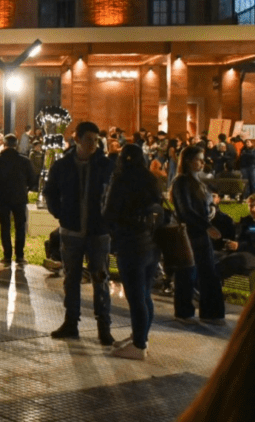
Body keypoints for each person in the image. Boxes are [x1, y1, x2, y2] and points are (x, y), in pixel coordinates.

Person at [43, 121, 116, 345]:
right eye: (89, 140)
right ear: (77, 139)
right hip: (71, 231)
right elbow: (50, 192)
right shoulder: (62, 165)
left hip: (98, 233)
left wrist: (108, 219)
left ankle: (104, 326)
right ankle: (71, 322)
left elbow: (115, 194)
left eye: (96, 140)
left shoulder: (105, 165)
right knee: (71, 279)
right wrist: (60, 213)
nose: (93, 144)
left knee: (100, 279)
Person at [101, 143, 164, 360]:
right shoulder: (151, 180)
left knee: (135, 296)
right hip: (152, 244)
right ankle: (141, 337)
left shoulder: (121, 180)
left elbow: (109, 213)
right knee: (145, 294)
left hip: (130, 243)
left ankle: (138, 345)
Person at [171, 145, 226, 325]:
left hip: (200, 233)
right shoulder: (181, 182)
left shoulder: (198, 181)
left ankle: (210, 313)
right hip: (190, 234)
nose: (202, 163)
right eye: (199, 159)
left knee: (207, 273)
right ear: (188, 161)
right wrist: (207, 226)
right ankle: (185, 312)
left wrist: (212, 209)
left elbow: (207, 202)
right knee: (187, 273)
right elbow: (185, 210)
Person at [0, 134, 36, 265]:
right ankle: (20, 256)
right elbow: (32, 180)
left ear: (4, 144)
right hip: (19, 197)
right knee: (20, 227)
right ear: (16, 144)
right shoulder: (24, 161)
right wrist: (25, 188)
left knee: (5, 226)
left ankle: (7, 256)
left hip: (2, 197)